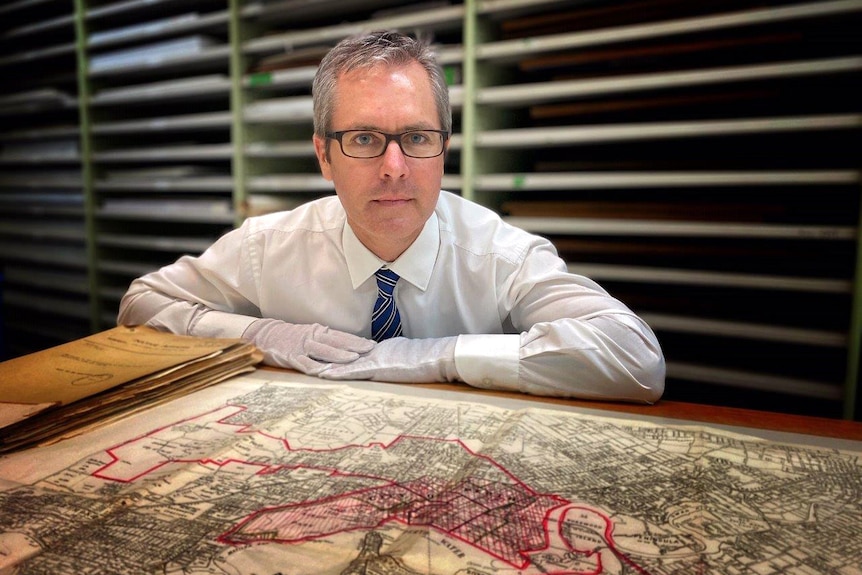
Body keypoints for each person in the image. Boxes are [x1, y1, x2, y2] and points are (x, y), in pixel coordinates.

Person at [117, 31, 665, 403]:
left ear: (443, 149)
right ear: (323, 155)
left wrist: (434, 357)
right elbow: (140, 305)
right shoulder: (268, 245)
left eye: (417, 138)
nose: (395, 168)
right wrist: (258, 334)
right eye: (363, 139)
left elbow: (636, 359)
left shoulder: (502, 255)